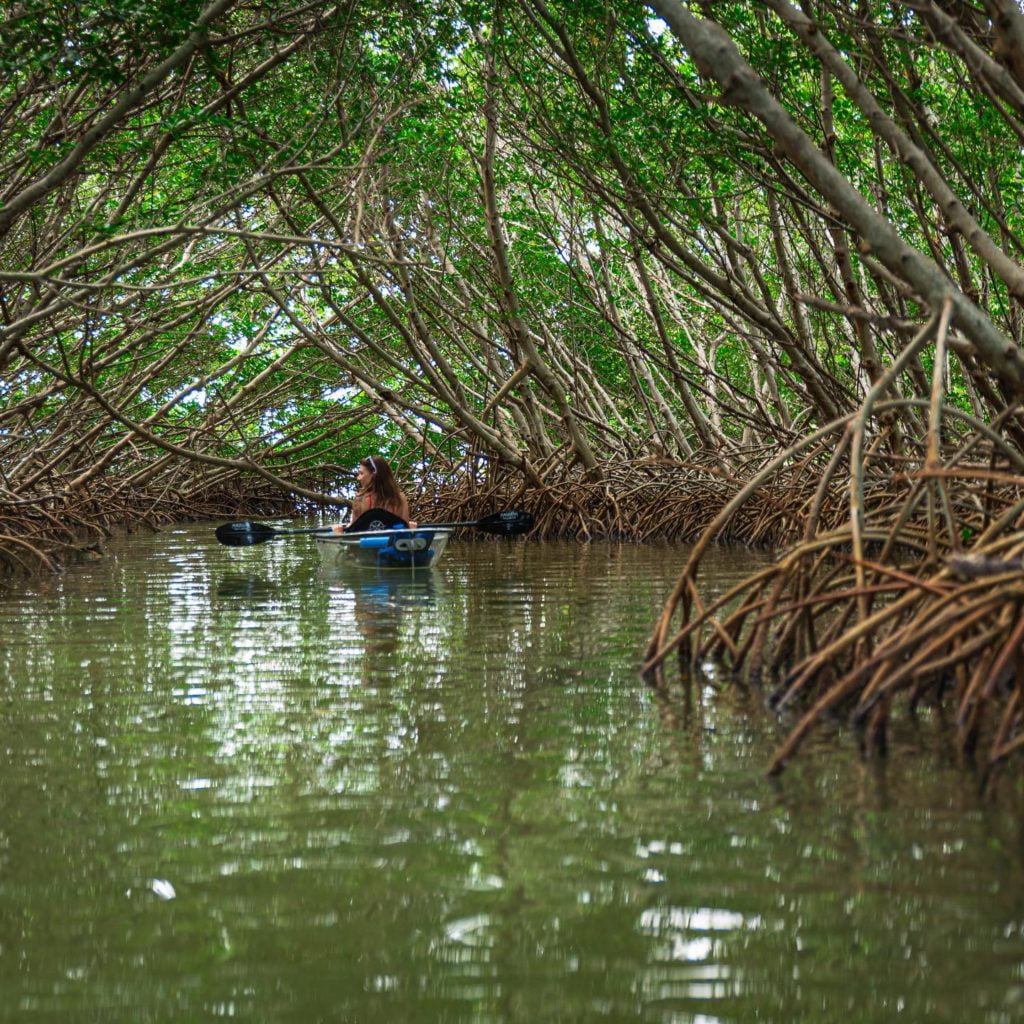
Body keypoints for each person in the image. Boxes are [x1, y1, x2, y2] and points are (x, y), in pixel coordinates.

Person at [332, 455, 416, 533]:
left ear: (374, 475)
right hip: (392, 546)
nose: (358, 478)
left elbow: (353, 530)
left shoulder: (359, 499)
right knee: (412, 526)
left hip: (365, 546)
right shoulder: (400, 498)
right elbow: (405, 529)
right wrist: (411, 528)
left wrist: (338, 532)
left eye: (361, 473)